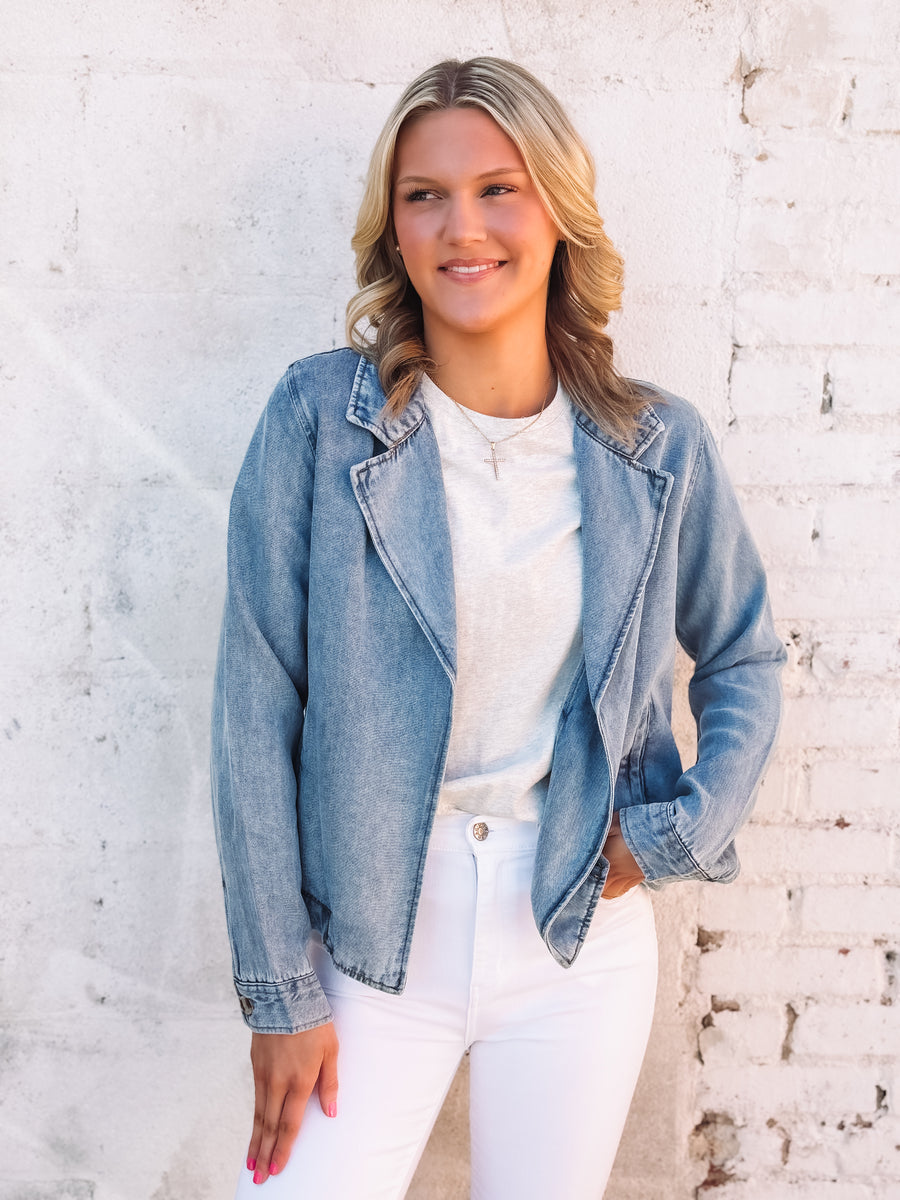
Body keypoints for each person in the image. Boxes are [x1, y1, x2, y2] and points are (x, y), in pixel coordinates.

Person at [210, 56, 786, 1199]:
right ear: (394, 226)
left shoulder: (656, 448)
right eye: (424, 194)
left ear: (558, 214)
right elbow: (253, 709)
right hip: (374, 926)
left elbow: (745, 655)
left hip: (576, 931)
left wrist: (668, 836)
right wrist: (283, 993)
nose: (460, 227)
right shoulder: (321, 423)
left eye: (496, 189)